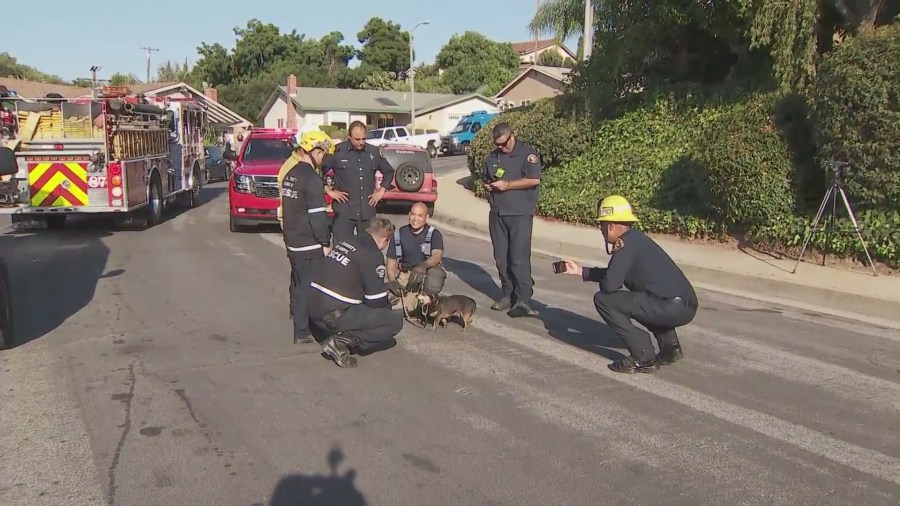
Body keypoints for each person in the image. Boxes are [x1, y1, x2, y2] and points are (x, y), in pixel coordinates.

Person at [560, 195, 699, 374]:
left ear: (610, 225)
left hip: (670, 306)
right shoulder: (636, 240)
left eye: (602, 225)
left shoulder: (623, 244)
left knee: (604, 300)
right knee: (644, 300)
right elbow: (616, 274)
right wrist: (581, 271)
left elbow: (610, 285)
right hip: (684, 305)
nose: (601, 230)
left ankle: (643, 355)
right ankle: (670, 348)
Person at [308, 217, 404, 368]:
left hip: (313, 308)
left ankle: (328, 333)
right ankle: (339, 342)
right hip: (331, 316)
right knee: (394, 321)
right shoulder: (372, 254)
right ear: (386, 239)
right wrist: (385, 308)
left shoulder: (347, 241)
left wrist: (384, 287)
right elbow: (375, 302)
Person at [277, 129, 335, 345]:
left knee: (300, 284)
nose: (322, 158)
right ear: (314, 151)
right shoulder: (312, 179)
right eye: (322, 153)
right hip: (308, 242)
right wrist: (325, 242)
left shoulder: (291, 174)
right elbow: (318, 217)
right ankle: (306, 330)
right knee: (311, 288)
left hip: (292, 239)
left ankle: (302, 328)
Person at [481, 122, 542, 318]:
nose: (501, 147)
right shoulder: (493, 157)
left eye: (504, 143)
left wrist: (508, 185)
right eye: (497, 144)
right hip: (498, 213)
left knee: (518, 258)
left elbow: (534, 179)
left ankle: (523, 298)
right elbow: (484, 177)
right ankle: (507, 293)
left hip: (520, 213)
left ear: (512, 136)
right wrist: (488, 186)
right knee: (501, 258)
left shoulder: (527, 154)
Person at [322, 121, 395, 243]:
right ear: (349, 137)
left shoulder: (374, 152)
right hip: (344, 210)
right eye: (357, 139)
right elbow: (318, 171)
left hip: (367, 210)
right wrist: (328, 190)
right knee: (341, 248)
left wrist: (381, 191)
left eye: (363, 138)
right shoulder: (337, 152)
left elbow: (389, 171)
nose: (361, 142)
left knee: (367, 248)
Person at [385, 202, 446, 310]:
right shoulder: (399, 234)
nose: (415, 219)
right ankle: (411, 302)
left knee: (437, 274)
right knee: (393, 306)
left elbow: (437, 256)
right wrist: (393, 282)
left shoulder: (434, 234)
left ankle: (427, 298)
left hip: (425, 275)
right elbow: (391, 261)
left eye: (420, 215)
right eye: (413, 214)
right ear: (409, 214)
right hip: (406, 276)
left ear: (427, 217)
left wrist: (423, 266)